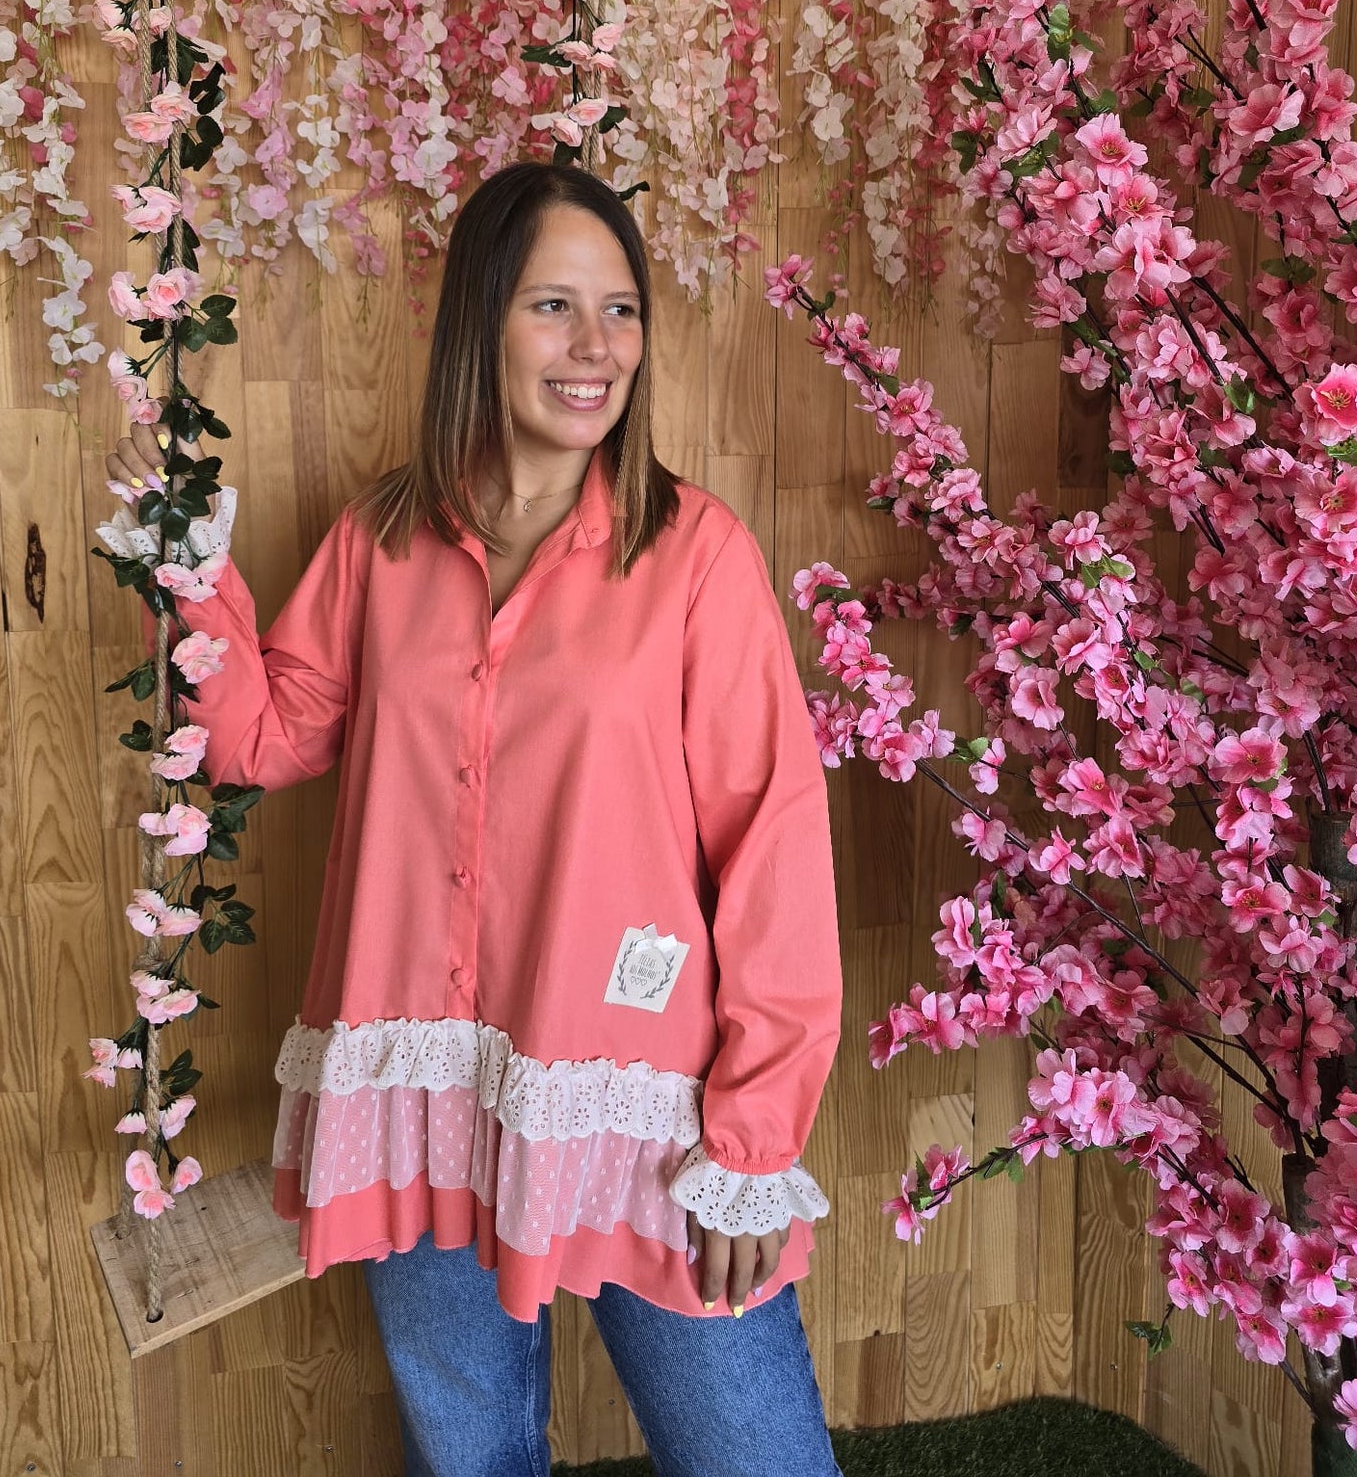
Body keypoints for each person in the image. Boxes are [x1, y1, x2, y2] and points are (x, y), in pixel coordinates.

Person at [98, 162, 844, 1477]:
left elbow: (771, 840)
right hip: (421, 1090)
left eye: (620, 312)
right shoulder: (380, 539)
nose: (595, 347)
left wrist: (752, 1141)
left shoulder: (693, 554)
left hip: (642, 1101)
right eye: (554, 305)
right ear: (478, 325)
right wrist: (192, 575)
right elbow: (268, 739)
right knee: (471, 1457)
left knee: (752, 1459)